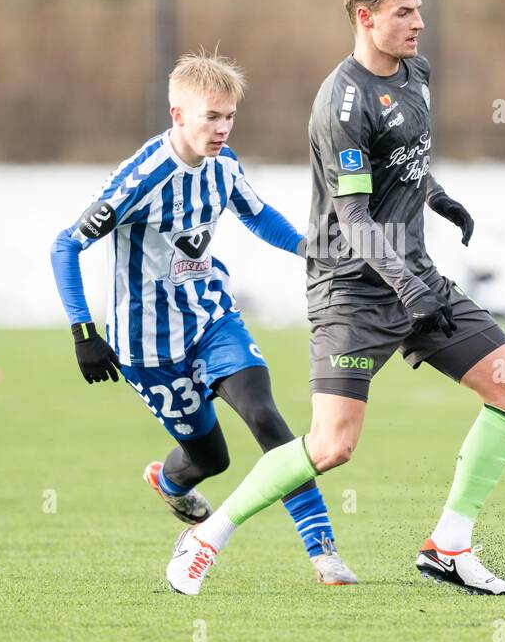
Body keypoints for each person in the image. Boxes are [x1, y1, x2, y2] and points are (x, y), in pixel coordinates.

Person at [165, 0, 505, 597]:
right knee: (332, 445)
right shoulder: (340, 103)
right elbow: (354, 214)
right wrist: (409, 288)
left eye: (419, 8)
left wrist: (437, 195)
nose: (420, 22)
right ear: (366, 18)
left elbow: (406, 155)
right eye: (404, 12)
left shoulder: (416, 72)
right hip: (352, 289)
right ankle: (207, 536)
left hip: (413, 280)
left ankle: (448, 545)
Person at [50, 51, 356, 585]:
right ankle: (169, 484)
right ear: (178, 114)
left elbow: (258, 217)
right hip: (147, 347)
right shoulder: (141, 177)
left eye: (230, 116)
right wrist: (83, 331)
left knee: (266, 417)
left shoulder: (225, 165)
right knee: (209, 458)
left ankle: (323, 551)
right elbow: (64, 246)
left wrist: (313, 249)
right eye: (211, 116)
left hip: (212, 320)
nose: (222, 128)